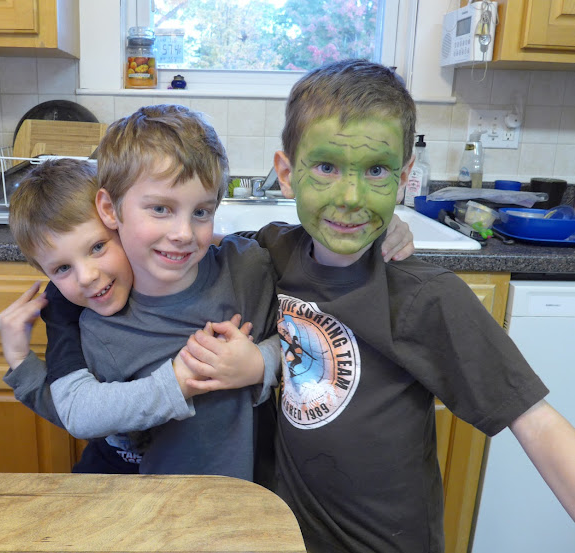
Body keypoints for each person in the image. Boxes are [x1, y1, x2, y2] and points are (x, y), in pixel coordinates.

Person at [210, 58, 575, 552]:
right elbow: (191, 245)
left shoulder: (427, 297)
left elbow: (537, 422)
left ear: (404, 179)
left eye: (376, 171)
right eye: (326, 167)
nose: (351, 196)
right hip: (292, 534)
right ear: (287, 174)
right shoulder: (276, 250)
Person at [3, 108, 283, 481]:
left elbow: (320, 333)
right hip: (160, 502)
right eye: (160, 209)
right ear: (110, 211)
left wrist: (262, 362)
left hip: (259, 498)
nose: (183, 233)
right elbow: (76, 412)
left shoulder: (248, 268)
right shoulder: (95, 327)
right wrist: (179, 380)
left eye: (201, 212)